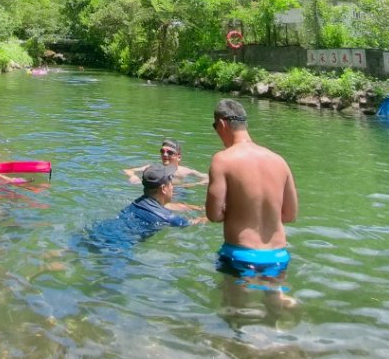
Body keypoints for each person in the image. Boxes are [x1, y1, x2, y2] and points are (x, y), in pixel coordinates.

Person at [206, 99, 298, 293]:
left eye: (215, 127)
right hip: (278, 257)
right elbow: (289, 215)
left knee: (237, 313)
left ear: (222, 124)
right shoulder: (279, 160)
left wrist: (236, 210)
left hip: (240, 256)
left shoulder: (222, 160)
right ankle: (284, 305)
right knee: (275, 310)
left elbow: (213, 215)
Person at [85, 165, 203, 251]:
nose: (173, 187)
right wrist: (212, 216)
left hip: (103, 228)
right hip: (120, 245)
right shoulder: (167, 217)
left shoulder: (136, 202)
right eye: (171, 183)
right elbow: (191, 223)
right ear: (164, 188)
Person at [123, 139, 208, 187]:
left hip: (179, 192)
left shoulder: (186, 172)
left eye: (169, 152)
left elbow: (208, 178)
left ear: (179, 157)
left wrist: (192, 184)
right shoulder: (154, 168)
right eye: (162, 151)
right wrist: (133, 177)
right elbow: (127, 170)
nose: (165, 154)